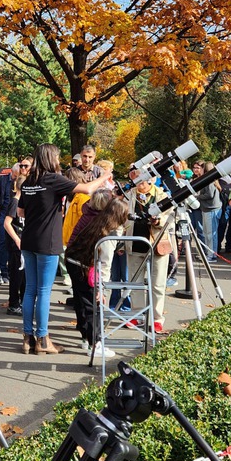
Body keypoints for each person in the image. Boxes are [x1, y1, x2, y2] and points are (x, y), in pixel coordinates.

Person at [18, 144, 110, 355]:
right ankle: (43, 340)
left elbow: (20, 211)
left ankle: (27, 338)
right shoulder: (52, 179)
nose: (59, 160)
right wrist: (105, 176)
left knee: (30, 289)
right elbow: (87, 189)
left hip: (28, 240)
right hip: (47, 242)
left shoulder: (29, 181)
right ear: (51, 158)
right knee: (43, 291)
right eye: (57, 156)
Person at [64, 193, 128, 359]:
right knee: (94, 304)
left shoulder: (93, 218)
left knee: (81, 301)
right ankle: (95, 343)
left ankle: (86, 336)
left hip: (73, 260)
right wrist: (102, 288)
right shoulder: (108, 231)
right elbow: (105, 263)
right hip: (84, 266)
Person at [125, 173, 175, 334]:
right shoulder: (129, 194)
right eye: (137, 180)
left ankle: (156, 318)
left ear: (151, 180)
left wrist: (157, 220)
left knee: (158, 284)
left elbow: (169, 218)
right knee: (135, 282)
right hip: (134, 243)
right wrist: (119, 241)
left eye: (143, 180)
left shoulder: (161, 195)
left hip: (157, 244)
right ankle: (137, 314)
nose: (140, 184)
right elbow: (121, 217)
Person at [3, 175, 26, 315]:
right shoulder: (15, 202)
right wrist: (17, 240)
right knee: (16, 275)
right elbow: (7, 223)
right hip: (16, 245)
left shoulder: (23, 203)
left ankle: (23, 301)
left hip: (23, 244)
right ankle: (13, 304)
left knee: (24, 275)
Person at [196, 161, 224, 262]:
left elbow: (210, 195)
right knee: (207, 233)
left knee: (210, 234)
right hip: (207, 209)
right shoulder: (210, 180)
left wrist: (197, 196)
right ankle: (208, 253)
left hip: (211, 209)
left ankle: (212, 255)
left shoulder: (209, 181)